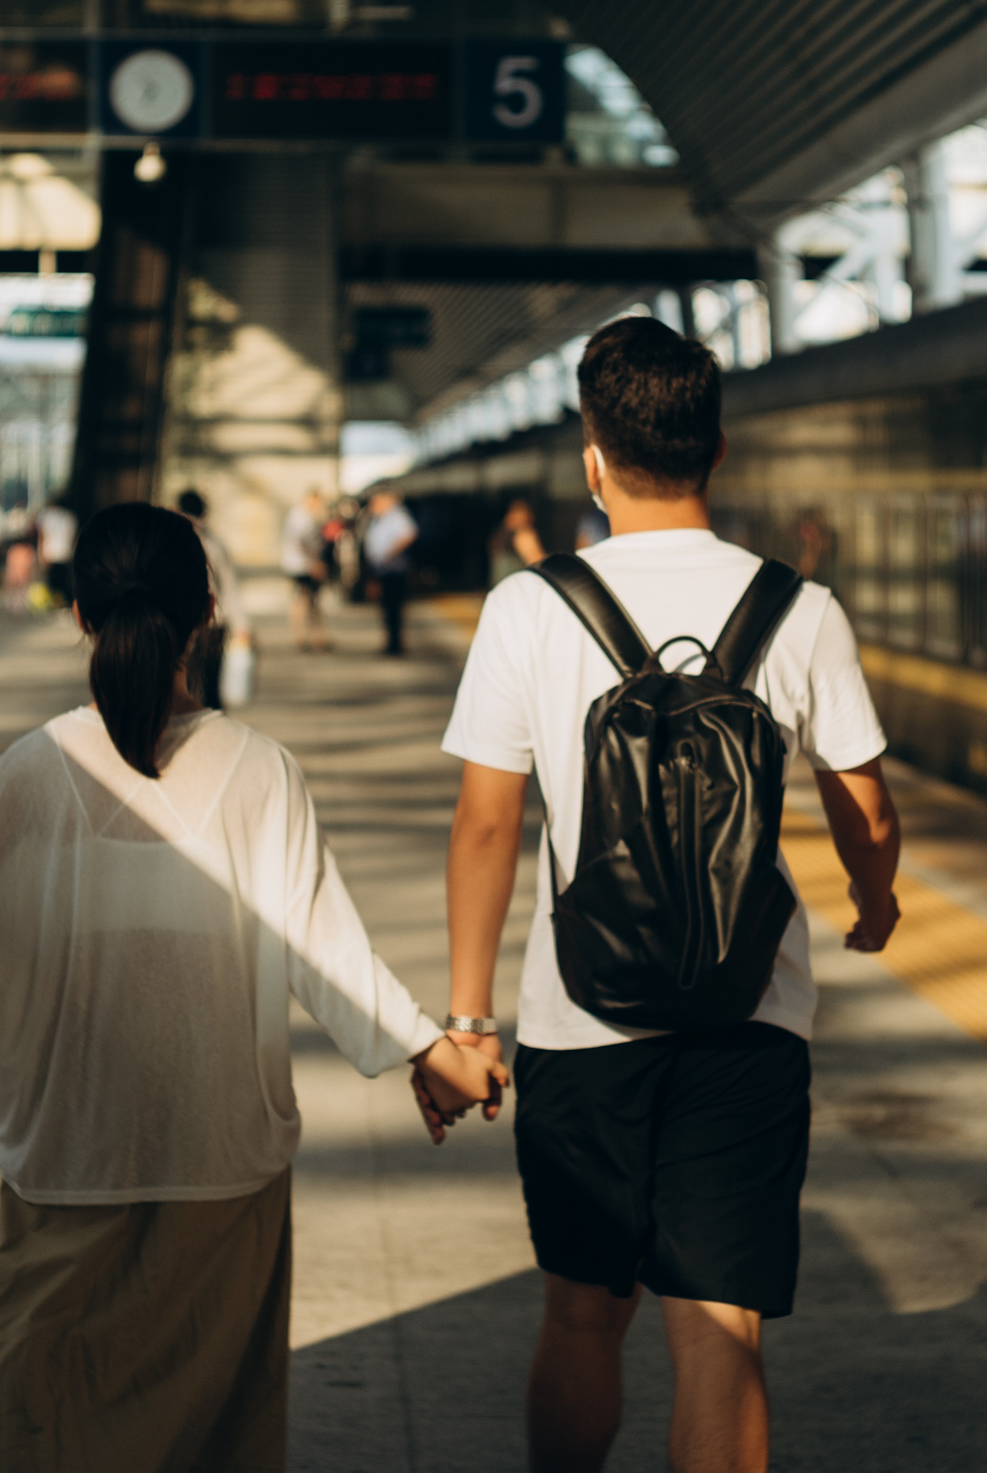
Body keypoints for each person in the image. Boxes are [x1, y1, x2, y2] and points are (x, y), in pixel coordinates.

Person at [0, 502, 504, 1473]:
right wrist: (438, 1054)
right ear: (208, 613)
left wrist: (46, 981)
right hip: (225, 1182)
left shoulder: (27, 775)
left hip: (67, 1165)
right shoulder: (262, 775)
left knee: (26, 1435)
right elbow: (327, 953)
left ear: (76, 613)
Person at [434, 317, 906, 1473]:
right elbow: (868, 808)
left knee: (584, 1310)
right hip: (750, 1014)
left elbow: (487, 821)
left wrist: (466, 1020)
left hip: (577, 1020)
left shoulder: (529, 607)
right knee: (720, 1329)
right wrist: (872, 896)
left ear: (591, 457)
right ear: (719, 449)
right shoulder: (801, 609)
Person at [174, 487, 246, 707]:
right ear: (204, 512)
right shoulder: (214, 543)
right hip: (214, 622)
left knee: (182, 685)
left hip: (180, 622)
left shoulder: (172, 538)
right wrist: (242, 625)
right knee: (211, 685)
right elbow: (229, 586)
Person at [363, 488, 418, 657]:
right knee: (387, 608)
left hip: (393, 571)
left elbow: (409, 534)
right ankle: (392, 642)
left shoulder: (396, 516)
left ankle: (395, 644)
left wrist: (388, 554)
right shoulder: (380, 518)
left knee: (393, 608)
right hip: (383, 570)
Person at [280, 488, 333, 651]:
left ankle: (313, 637)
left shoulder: (302, 515)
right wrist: (314, 563)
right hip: (303, 566)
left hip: (303, 564)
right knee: (303, 601)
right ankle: (303, 637)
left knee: (309, 601)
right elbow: (302, 542)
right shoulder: (301, 517)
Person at [33, 493, 78, 611]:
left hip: (50, 553)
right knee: (64, 582)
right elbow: (73, 537)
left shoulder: (46, 516)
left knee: (52, 582)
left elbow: (41, 536)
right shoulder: (70, 516)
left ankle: (54, 604)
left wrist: (40, 553)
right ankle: (64, 605)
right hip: (65, 553)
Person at [489, 496, 546, 585]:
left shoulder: (499, 536)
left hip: (501, 589)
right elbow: (539, 565)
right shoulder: (523, 534)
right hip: (517, 590)